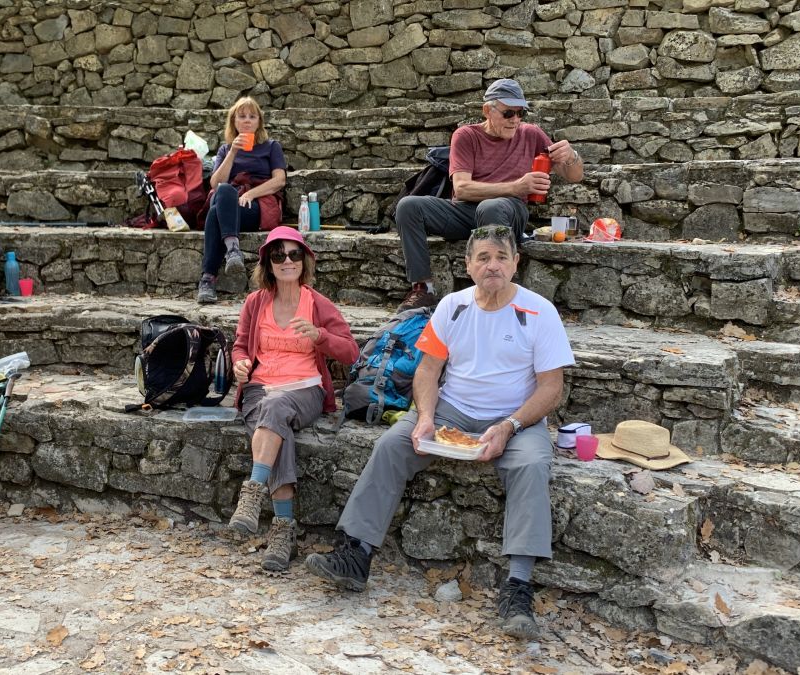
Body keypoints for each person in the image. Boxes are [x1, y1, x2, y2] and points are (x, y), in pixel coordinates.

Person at [305, 225, 575, 640]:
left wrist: (509, 426)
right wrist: (426, 415)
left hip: (516, 418)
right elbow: (428, 370)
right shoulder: (452, 306)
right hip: (452, 410)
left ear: (516, 263)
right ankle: (356, 554)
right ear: (468, 265)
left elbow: (551, 387)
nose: (493, 266)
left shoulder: (540, 311)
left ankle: (518, 588)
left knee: (534, 464)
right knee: (394, 443)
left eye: (502, 257)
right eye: (483, 257)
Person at [229, 226, 359, 571]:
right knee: (276, 423)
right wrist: (240, 363)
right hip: (260, 389)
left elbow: (350, 352)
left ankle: (253, 490)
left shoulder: (317, 303)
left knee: (276, 409)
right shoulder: (255, 302)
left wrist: (319, 335)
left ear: (305, 260)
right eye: (278, 255)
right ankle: (283, 532)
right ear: (268, 263)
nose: (287, 261)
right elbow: (241, 345)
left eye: (294, 254)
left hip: (306, 390)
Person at [395, 78, 584, 311]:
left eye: (520, 113)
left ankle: (498, 292)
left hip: (507, 210)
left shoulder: (531, 134)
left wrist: (572, 156)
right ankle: (422, 289)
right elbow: (462, 188)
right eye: (508, 113)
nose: (515, 120)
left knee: (491, 207)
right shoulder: (466, 136)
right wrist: (516, 186)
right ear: (487, 110)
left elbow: (574, 176)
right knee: (408, 206)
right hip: (465, 210)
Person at [197, 96, 287, 304]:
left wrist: (250, 194)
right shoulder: (225, 150)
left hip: (253, 206)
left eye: (252, 116)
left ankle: (207, 279)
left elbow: (279, 181)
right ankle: (233, 250)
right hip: (228, 201)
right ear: (234, 122)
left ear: (259, 122)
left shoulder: (271, 147)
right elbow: (215, 183)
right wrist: (233, 152)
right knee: (225, 189)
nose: (247, 120)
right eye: (242, 116)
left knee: (214, 214)